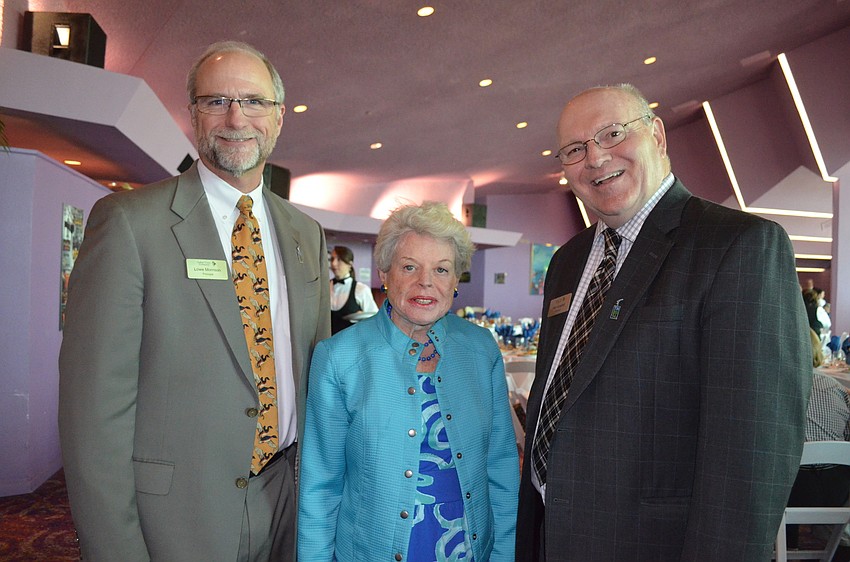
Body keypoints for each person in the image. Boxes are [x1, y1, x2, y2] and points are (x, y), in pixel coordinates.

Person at [58, 41, 331, 561]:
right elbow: (92, 412)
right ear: (193, 116)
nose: (235, 118)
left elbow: (317, 376)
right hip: (175, 517)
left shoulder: (306, 234)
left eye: (253, 102)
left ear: (278, 118)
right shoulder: (128, 224)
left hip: (288, 505)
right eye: (215, 101)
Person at [516, 84, 812, 561]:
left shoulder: (738, 246)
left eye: (612, 134)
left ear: (656, 133)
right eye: (575, 149)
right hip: (554, 532)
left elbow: (753, 451)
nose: (595, 158)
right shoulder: (568, 262)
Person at [298, 202, 519, 561]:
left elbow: (502, 472)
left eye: (442, 269)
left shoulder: (481, 351)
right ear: (385, 272)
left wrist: (503, 555)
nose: (426, 282)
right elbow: (319, 488)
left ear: (456, 279)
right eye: (410, 266)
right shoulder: (340, 357)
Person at [786, 329, 850, 548]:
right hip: (837, 493)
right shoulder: (838, 389)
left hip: (791, 492)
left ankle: (787, 544)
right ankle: (835, 541)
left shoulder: (777, 389)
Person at [329, 245, 378, 334]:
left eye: (339, 260)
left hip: (351, 343)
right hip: (327, 342)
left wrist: (362, 317)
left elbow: (375, 319)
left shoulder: (361, 289)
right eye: (332, 259)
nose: (334, 264)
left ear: (350, 264)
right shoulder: (325, 287)